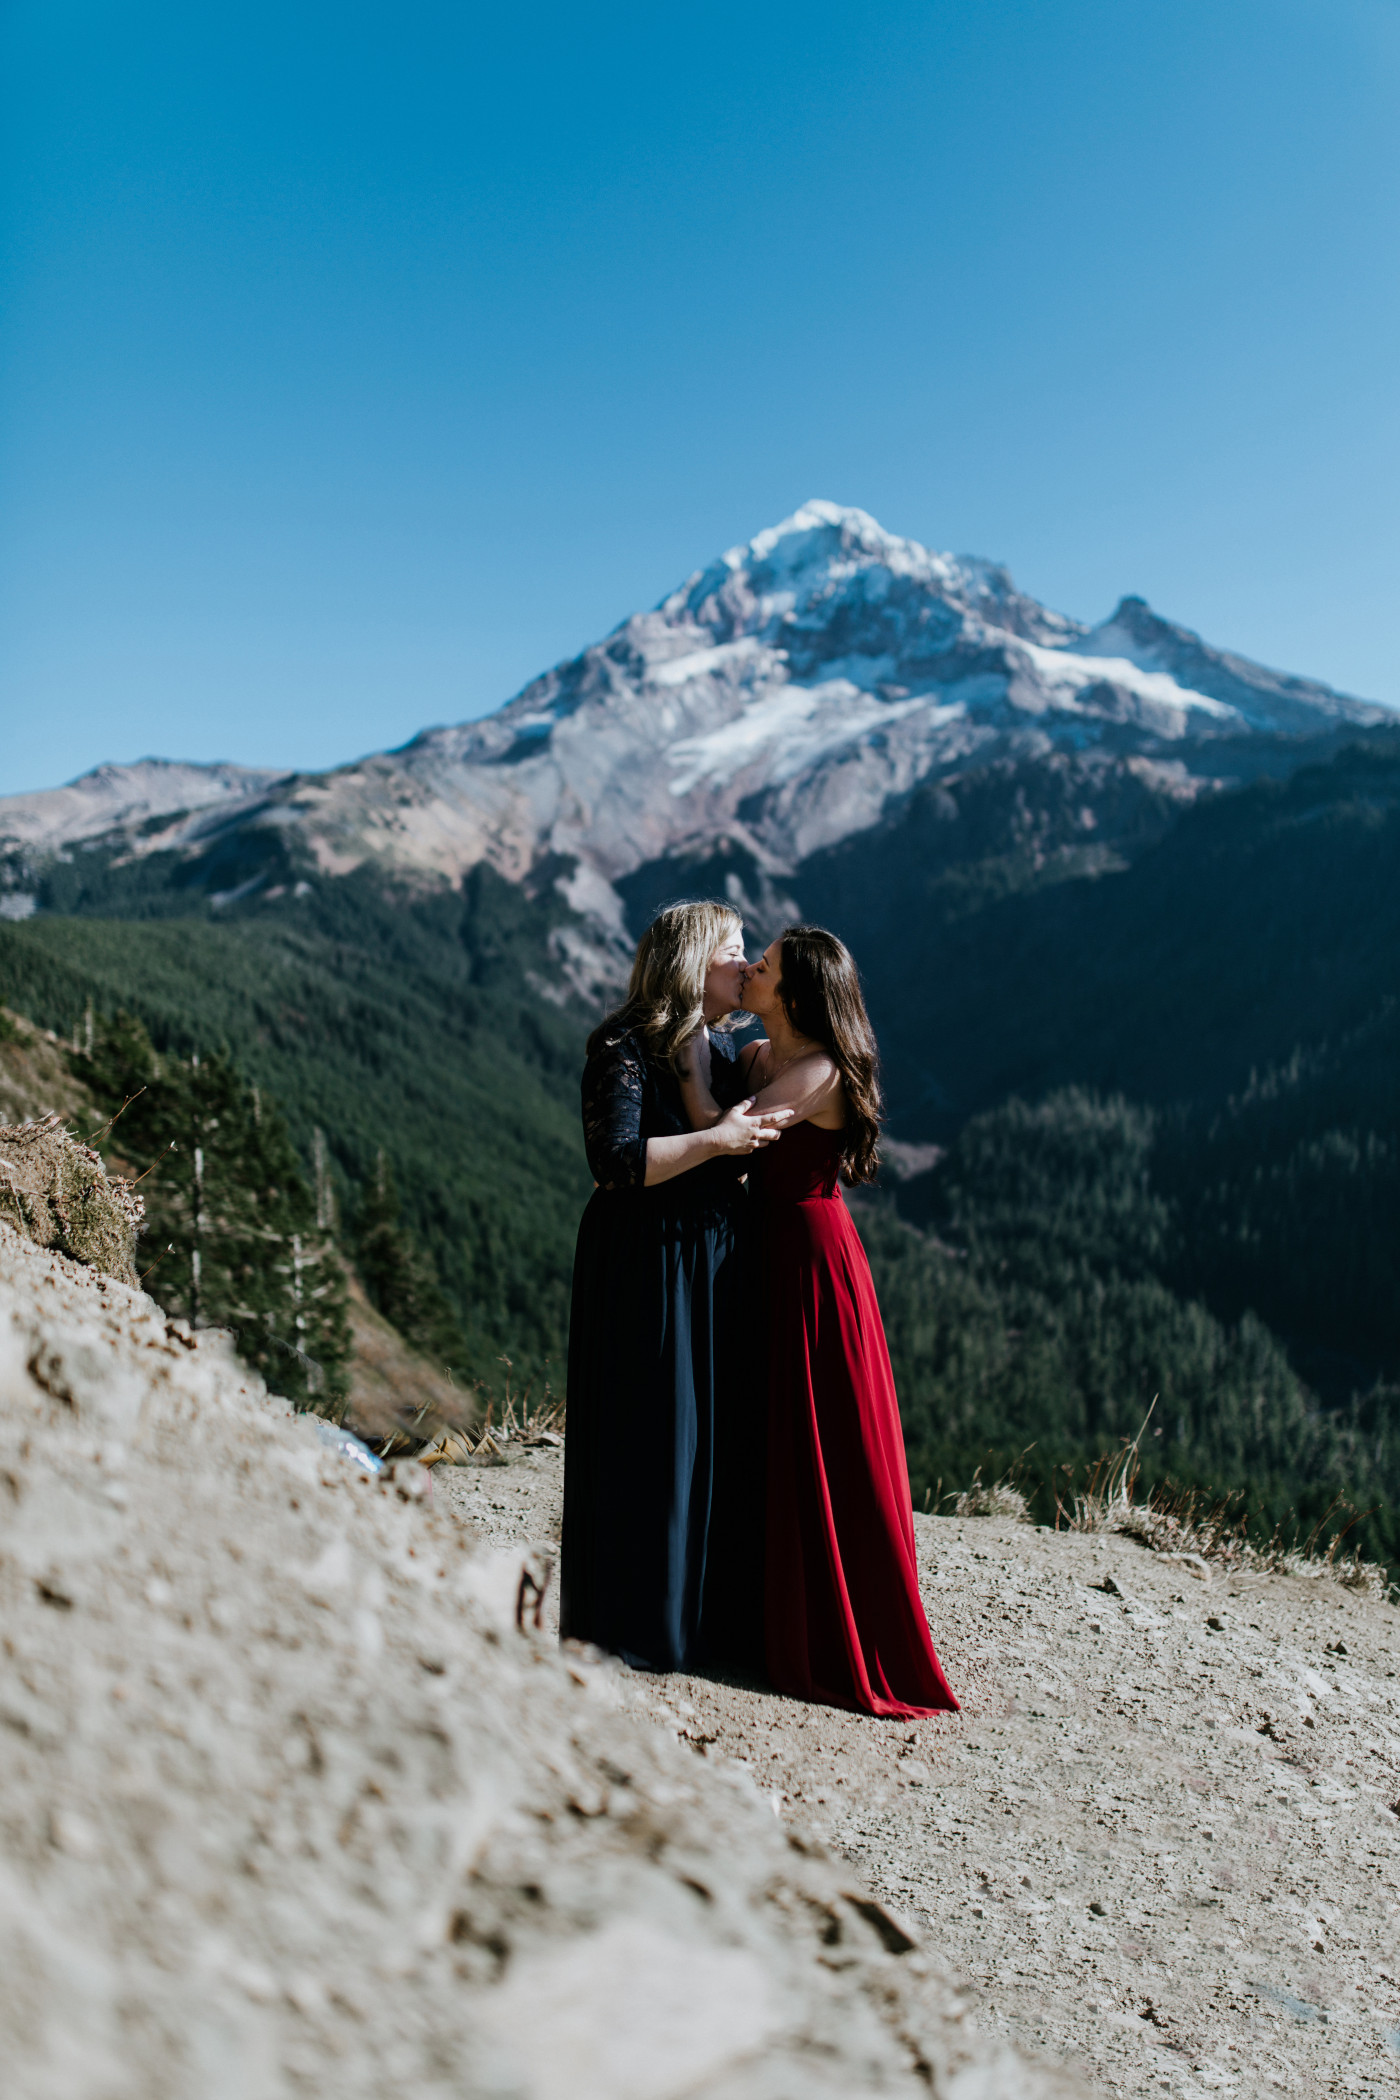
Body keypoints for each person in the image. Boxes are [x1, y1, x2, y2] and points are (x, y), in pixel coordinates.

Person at [683, 924, 958, 1718]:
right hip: (771, 1252)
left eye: (760, 966)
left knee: (814, 1428)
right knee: (777, 1427)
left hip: (807, 1260)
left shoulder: (818, 1071)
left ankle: (826, 1624)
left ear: (795, 996)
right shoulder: (773, 1057)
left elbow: (722, 1138)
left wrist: (685, 1056)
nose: (748, 968)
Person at [560, 901, 788, 1673]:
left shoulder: (722, 1051)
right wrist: (720, 1141)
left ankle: (700, 1621)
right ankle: (635, 1623)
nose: (744, 963)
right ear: (693, 962)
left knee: (706, 1431)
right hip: (647, 1254)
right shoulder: (626, 1045)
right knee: (649, 1428)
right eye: (731, 950)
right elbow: (615, 1163)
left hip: (712, 1252)